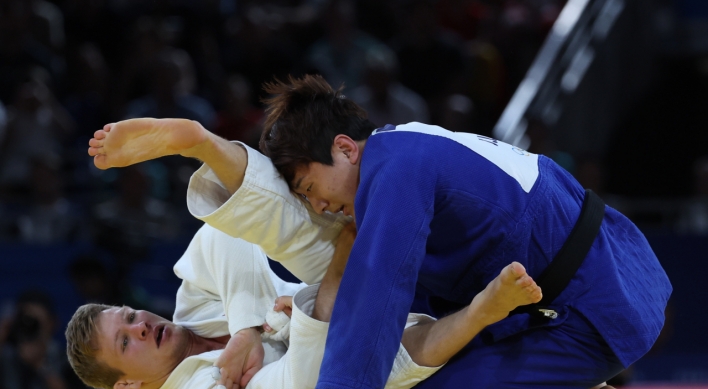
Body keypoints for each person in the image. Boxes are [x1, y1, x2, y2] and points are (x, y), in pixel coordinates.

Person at [255, 74, 672, 389]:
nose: (319, 207)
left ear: (345, 149)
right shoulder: (405, 146)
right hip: (612, 269)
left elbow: (377, 301)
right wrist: (318, 316)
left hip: (592, 303)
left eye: (309, 188)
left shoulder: (395, 172)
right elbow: (407, 294)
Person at [80, 117, 547, 389]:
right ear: (127, 386)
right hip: (351, 365)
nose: (141, 324)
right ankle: (482, 312)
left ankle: (203, 143)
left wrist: (246, 329)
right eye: (126, 341)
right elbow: (297, 379)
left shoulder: (194, 308)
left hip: (347, 286)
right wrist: (300, 314)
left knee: (295, 233)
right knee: (364, 361)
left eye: (128, 315)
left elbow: (219, 237)